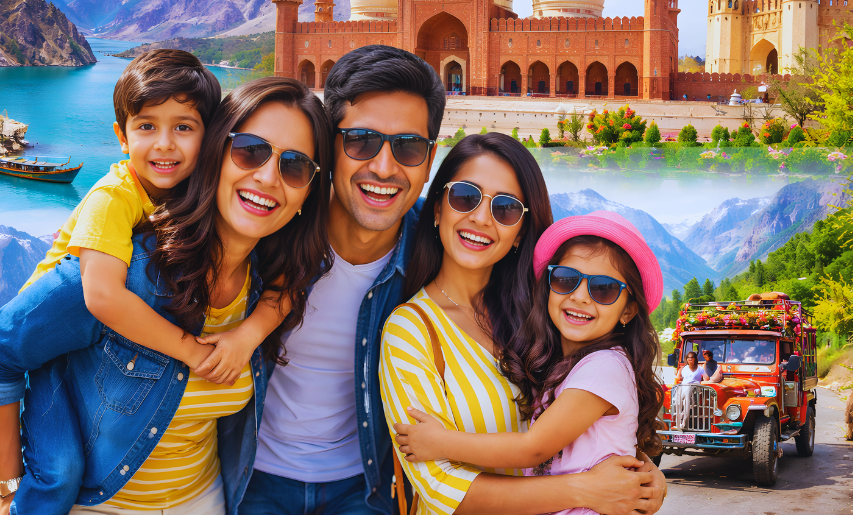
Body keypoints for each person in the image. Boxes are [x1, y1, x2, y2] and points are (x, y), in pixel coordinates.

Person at [241, 45, 666, 515]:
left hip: (366, 490)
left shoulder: (535, 317)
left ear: (427, 161)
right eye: (361, 140)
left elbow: (586, 405)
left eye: (406, 147)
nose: (383, 167)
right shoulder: (271, 228)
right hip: (255, 479)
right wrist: (585, 491)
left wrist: (634, 470)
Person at [0, 78, 334, 515]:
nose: (268, 177)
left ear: (309, 191)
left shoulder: (271, 282)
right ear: (215, 154)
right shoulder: (123, 273)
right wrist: (9, 489)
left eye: (294, 166)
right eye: (249, 150)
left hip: (207, 499)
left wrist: (249, 334)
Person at [19, 49, 282, 388]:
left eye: (183, 127)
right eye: (147, 126)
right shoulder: (113, 197)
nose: (164, 144)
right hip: (43, 343)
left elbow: (290, 276)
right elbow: (103, 296)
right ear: (122, 138)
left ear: (210, 137)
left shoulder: (191, 190)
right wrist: (191, 352)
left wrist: (249, 333)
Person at [387, 201, 666, 515]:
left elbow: (534, 448)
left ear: (628, 309)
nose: (580, 295)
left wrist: (440, 443)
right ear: (548, 284)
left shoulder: (604, 367)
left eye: (604, 289)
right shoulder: (566, 363)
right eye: (565, 278)